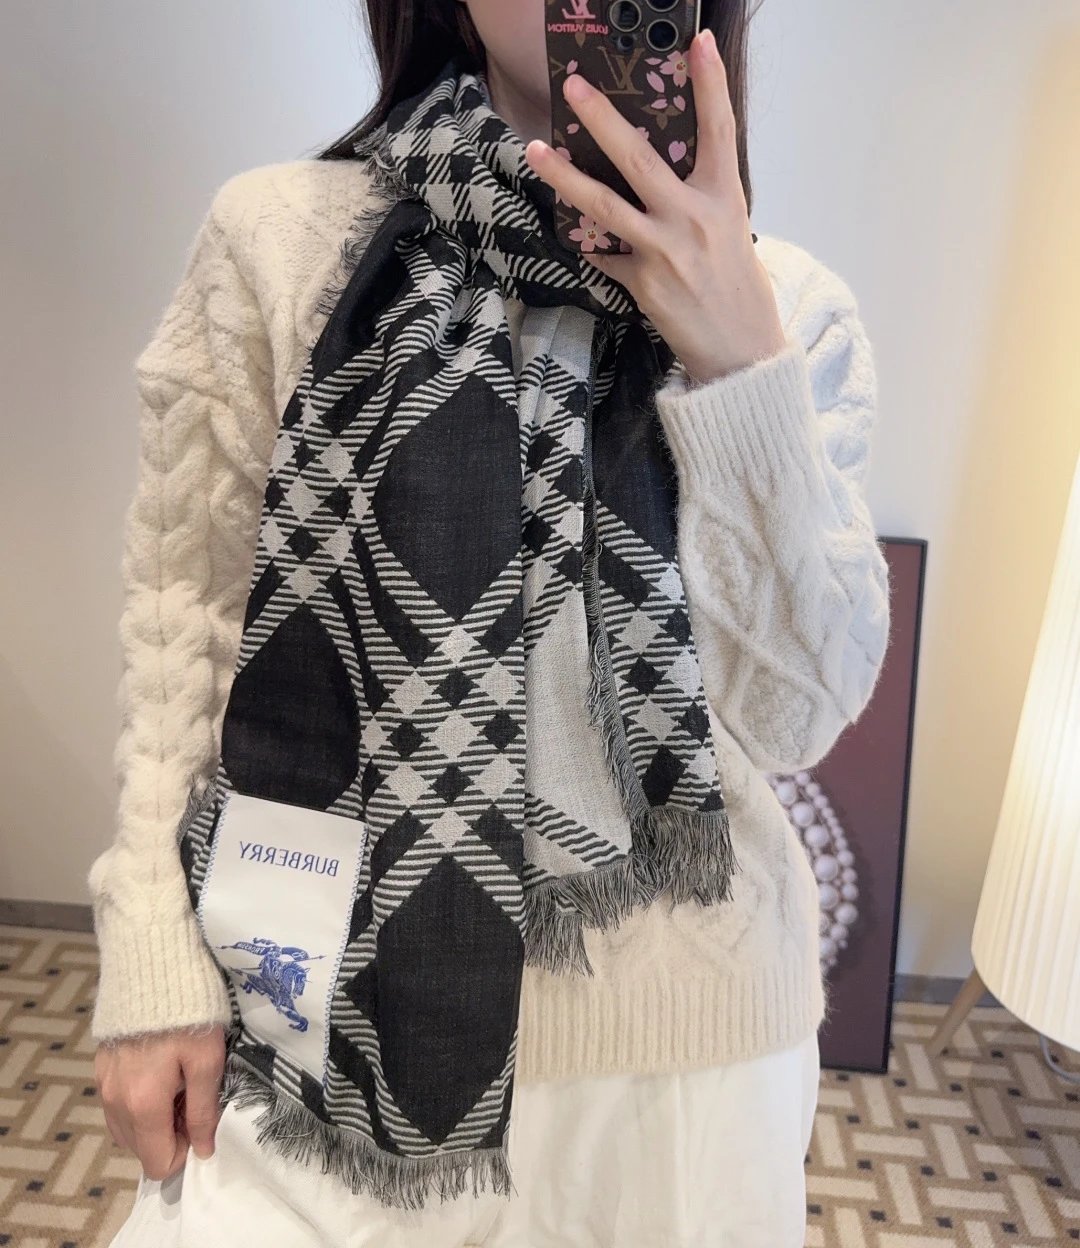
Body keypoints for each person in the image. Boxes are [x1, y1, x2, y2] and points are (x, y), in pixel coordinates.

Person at [90, 1, 891, 1244]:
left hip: (685, 1068)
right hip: (326, 1011)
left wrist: (737, 361)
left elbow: (795, 715)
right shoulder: (278, 238)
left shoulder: (790, 306)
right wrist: (150, 950)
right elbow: (183, 620)